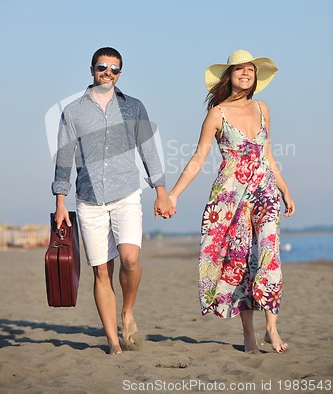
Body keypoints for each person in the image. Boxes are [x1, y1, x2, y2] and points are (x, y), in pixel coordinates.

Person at [159, 49, 295, 354]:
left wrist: (285, 189)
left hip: (265, 192)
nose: (245, 74)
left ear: (255, 76)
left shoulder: (263, 108)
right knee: (240, 261)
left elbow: (268, 154)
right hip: (230, 197)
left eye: (250, 70)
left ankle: (271, 328)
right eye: (239, 70)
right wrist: (174, 195)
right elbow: (198, 158)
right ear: (229, 77)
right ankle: (249, 334)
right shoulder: (217, 113)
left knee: (269, 254)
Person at [52, 46, 174, 355]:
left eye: (114, 68)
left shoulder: (133, 107)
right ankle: (113, 341)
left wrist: (161, 190)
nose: (108, 72)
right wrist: (60, 201)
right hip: (89, 199)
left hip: (127, 193)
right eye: (102, 66)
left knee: (130, 258)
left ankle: (127, 311)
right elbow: (64, 158)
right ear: (91, 69)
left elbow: (148, 150)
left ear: (120, 73)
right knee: (102, 271)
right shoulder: (73, 112)